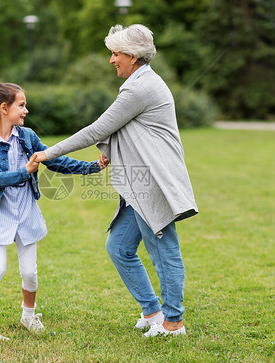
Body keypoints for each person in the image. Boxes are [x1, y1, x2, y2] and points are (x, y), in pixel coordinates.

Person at [33, 24, 198, 337]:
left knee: (164, 252)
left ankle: (173, 323)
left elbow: (97, 129)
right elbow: (129, 130)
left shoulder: (140, 87)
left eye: (115, 53)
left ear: (133, 56)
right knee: (119, 247)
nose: (111, 60)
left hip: (153, 181)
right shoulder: (140, 83)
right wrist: (112, 152)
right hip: (139, 183)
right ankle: (153, 312)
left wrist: (48, 153)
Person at [0, 82, 108, 340]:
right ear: (4, 108)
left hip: (26, 210)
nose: (26, 110)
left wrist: (92, 167)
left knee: (30, 271)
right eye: (21, 105)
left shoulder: (27, 137)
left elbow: (55, 161)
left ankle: (28, 317)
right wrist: (25, 171)